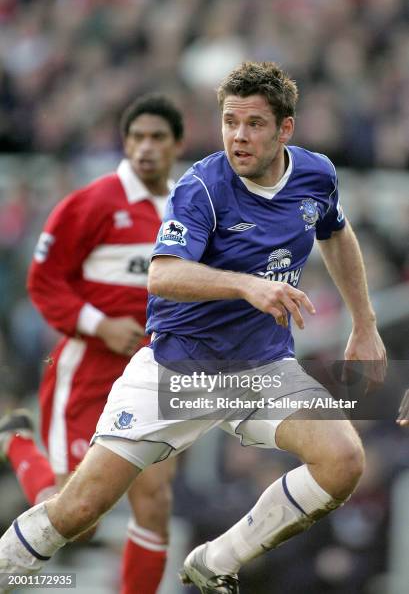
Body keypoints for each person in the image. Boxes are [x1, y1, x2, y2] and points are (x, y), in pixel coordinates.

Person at [0, 62, 386, 594]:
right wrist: (247, 286)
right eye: (230, 122)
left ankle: (217, 560)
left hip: (262, 365)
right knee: (76, 512)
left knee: (343, 461)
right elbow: (163, 274)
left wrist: (364, 323)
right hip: (177, 370)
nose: (238, 137)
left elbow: (336, 234)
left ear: (285, 130)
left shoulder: (317, 175)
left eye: (253, 124)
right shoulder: (202, 185)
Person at [0, 93, 184, 594]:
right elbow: (43, 280)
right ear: (125, 143)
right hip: (87, 371)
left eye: (157, 138)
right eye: (137, 137)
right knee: (78, 517)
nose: (146, 148)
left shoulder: (186, 211)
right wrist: (100, 325)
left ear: (176, 145)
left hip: (151, 377)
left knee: (156, 502)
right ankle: (16, 441)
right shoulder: (92, 203)